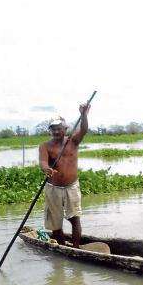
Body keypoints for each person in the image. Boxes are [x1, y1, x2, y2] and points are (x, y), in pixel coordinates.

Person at [39, 103, 90, 248]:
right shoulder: (45, 146)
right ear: (50, 131)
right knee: (56, 223)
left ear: (65, 129)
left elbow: (84, 129)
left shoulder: (73, 141)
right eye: (53, 129)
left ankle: (76, 248)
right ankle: (61, 248)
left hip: (72, 186)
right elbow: (43, 162)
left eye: (59, 129)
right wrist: (46, 168)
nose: (56, 132)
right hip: (53, 188)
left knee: (75, 218)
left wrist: (83, 114)